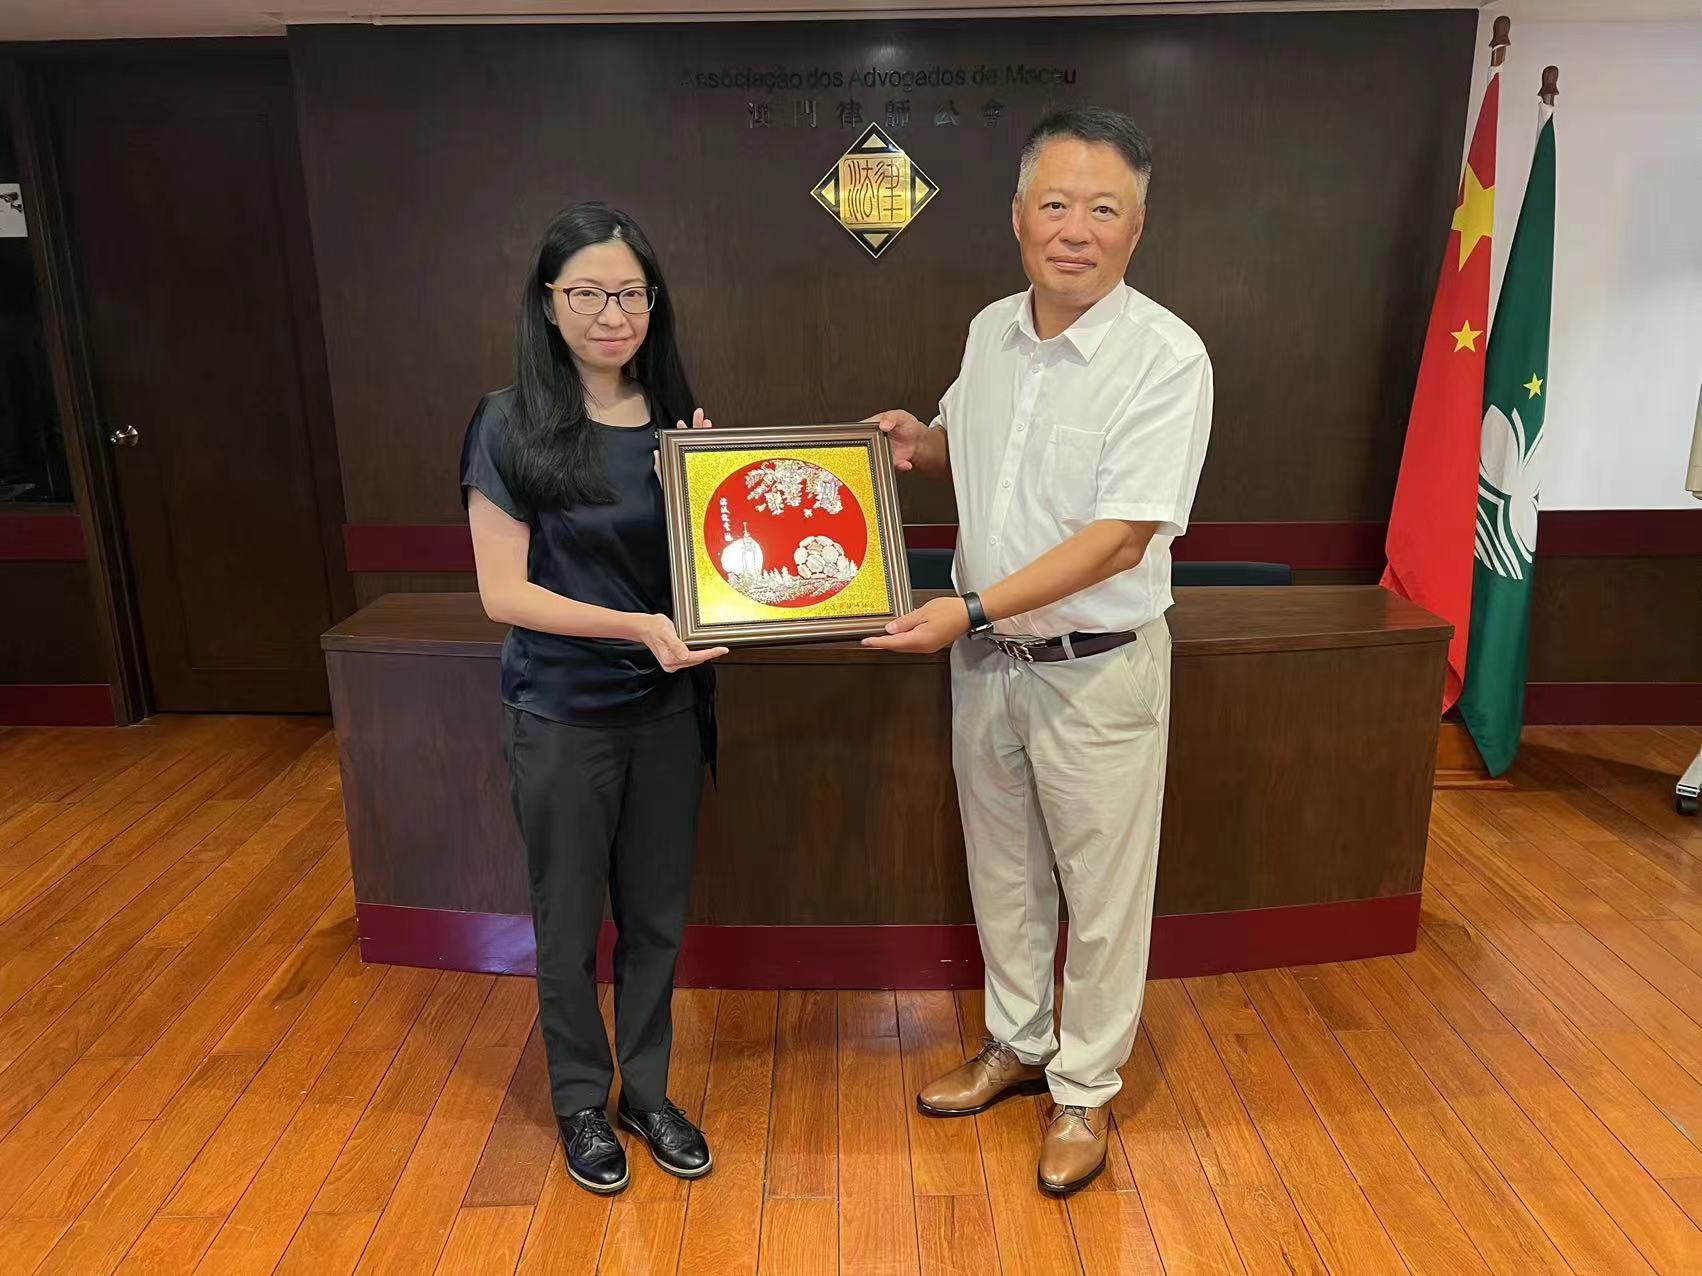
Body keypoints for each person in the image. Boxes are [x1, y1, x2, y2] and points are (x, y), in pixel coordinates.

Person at [865, 106, 1213, 1195]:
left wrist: (967, 610)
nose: (1075, 229)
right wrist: (915, 446)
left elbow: (1118, 537)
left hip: (1095, 669)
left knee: (1102, 894)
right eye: (1055, 204)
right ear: (1017, 216)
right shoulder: (990, 331)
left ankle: (1084, 1088)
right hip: (988, 668)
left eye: (1103, 209)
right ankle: (1016, 1045)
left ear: (1136, 228)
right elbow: (973, 453)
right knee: (1004, 873)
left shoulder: (1165, 358)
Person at [461, 202, 725, 1196]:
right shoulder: (507, 422)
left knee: (656, 920)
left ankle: (646, 1093)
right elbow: (504, 594)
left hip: (667, 712)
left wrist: (713, 488)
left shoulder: (676, 422)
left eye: (630, 294)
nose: (613, 315)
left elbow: (709, 573)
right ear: (547, 302)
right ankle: (580, 1098)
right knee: (568, 925)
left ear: (654, 302)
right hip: (562, 714)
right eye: (587, 294)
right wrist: (638, 628)